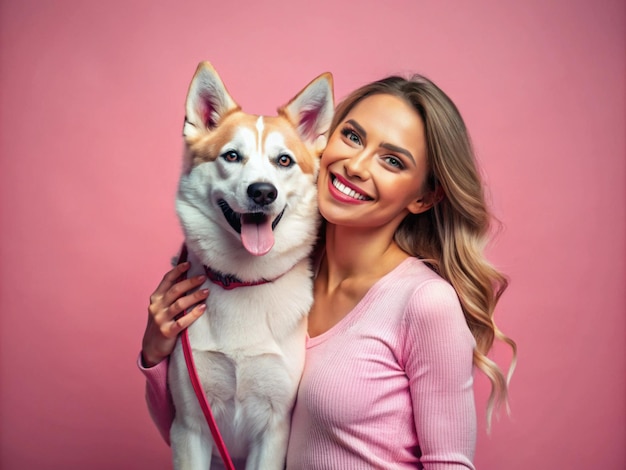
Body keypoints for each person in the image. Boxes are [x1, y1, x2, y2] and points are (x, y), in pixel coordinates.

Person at [139, 74, 516, 469]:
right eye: (352, 136)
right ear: (323, 141)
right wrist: (154, 354)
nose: (355, 165)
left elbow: (450, 463)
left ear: (423, 197)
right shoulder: (282, 272)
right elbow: (196, 430)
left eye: (392, 160)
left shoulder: (425, 302)